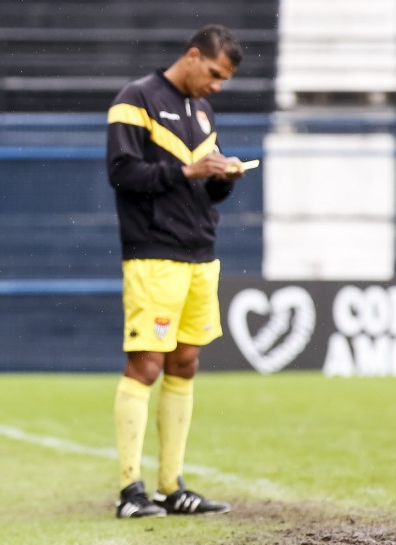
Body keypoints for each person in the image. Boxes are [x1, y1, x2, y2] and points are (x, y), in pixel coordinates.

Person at [107, 24, 247, 519]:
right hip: (153, 255)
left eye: (223, 79)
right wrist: (188, 171)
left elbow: (205, 191)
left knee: (185, 362)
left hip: (200, 255)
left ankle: (171, 485)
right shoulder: (136, 99)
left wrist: (223, 179)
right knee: (145, 364)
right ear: (192, 56)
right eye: (214, 74)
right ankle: (130, 491)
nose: (217, 86)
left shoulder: (203, 111)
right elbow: (122, 173)